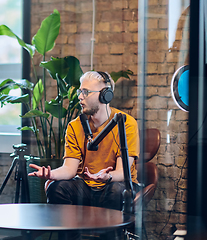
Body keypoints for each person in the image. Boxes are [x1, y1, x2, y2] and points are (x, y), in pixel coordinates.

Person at [28, 71, 140, 239]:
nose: (80, 97)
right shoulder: (75, 126)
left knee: (116, 190)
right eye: (80, 91)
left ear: (105, 95)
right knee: (56, 187)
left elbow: (122, 172)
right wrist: (52, 174)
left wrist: (107, 176)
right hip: (86, 187)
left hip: (114, 185)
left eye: (85, 92)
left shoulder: (126, 123)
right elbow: (69, 169)